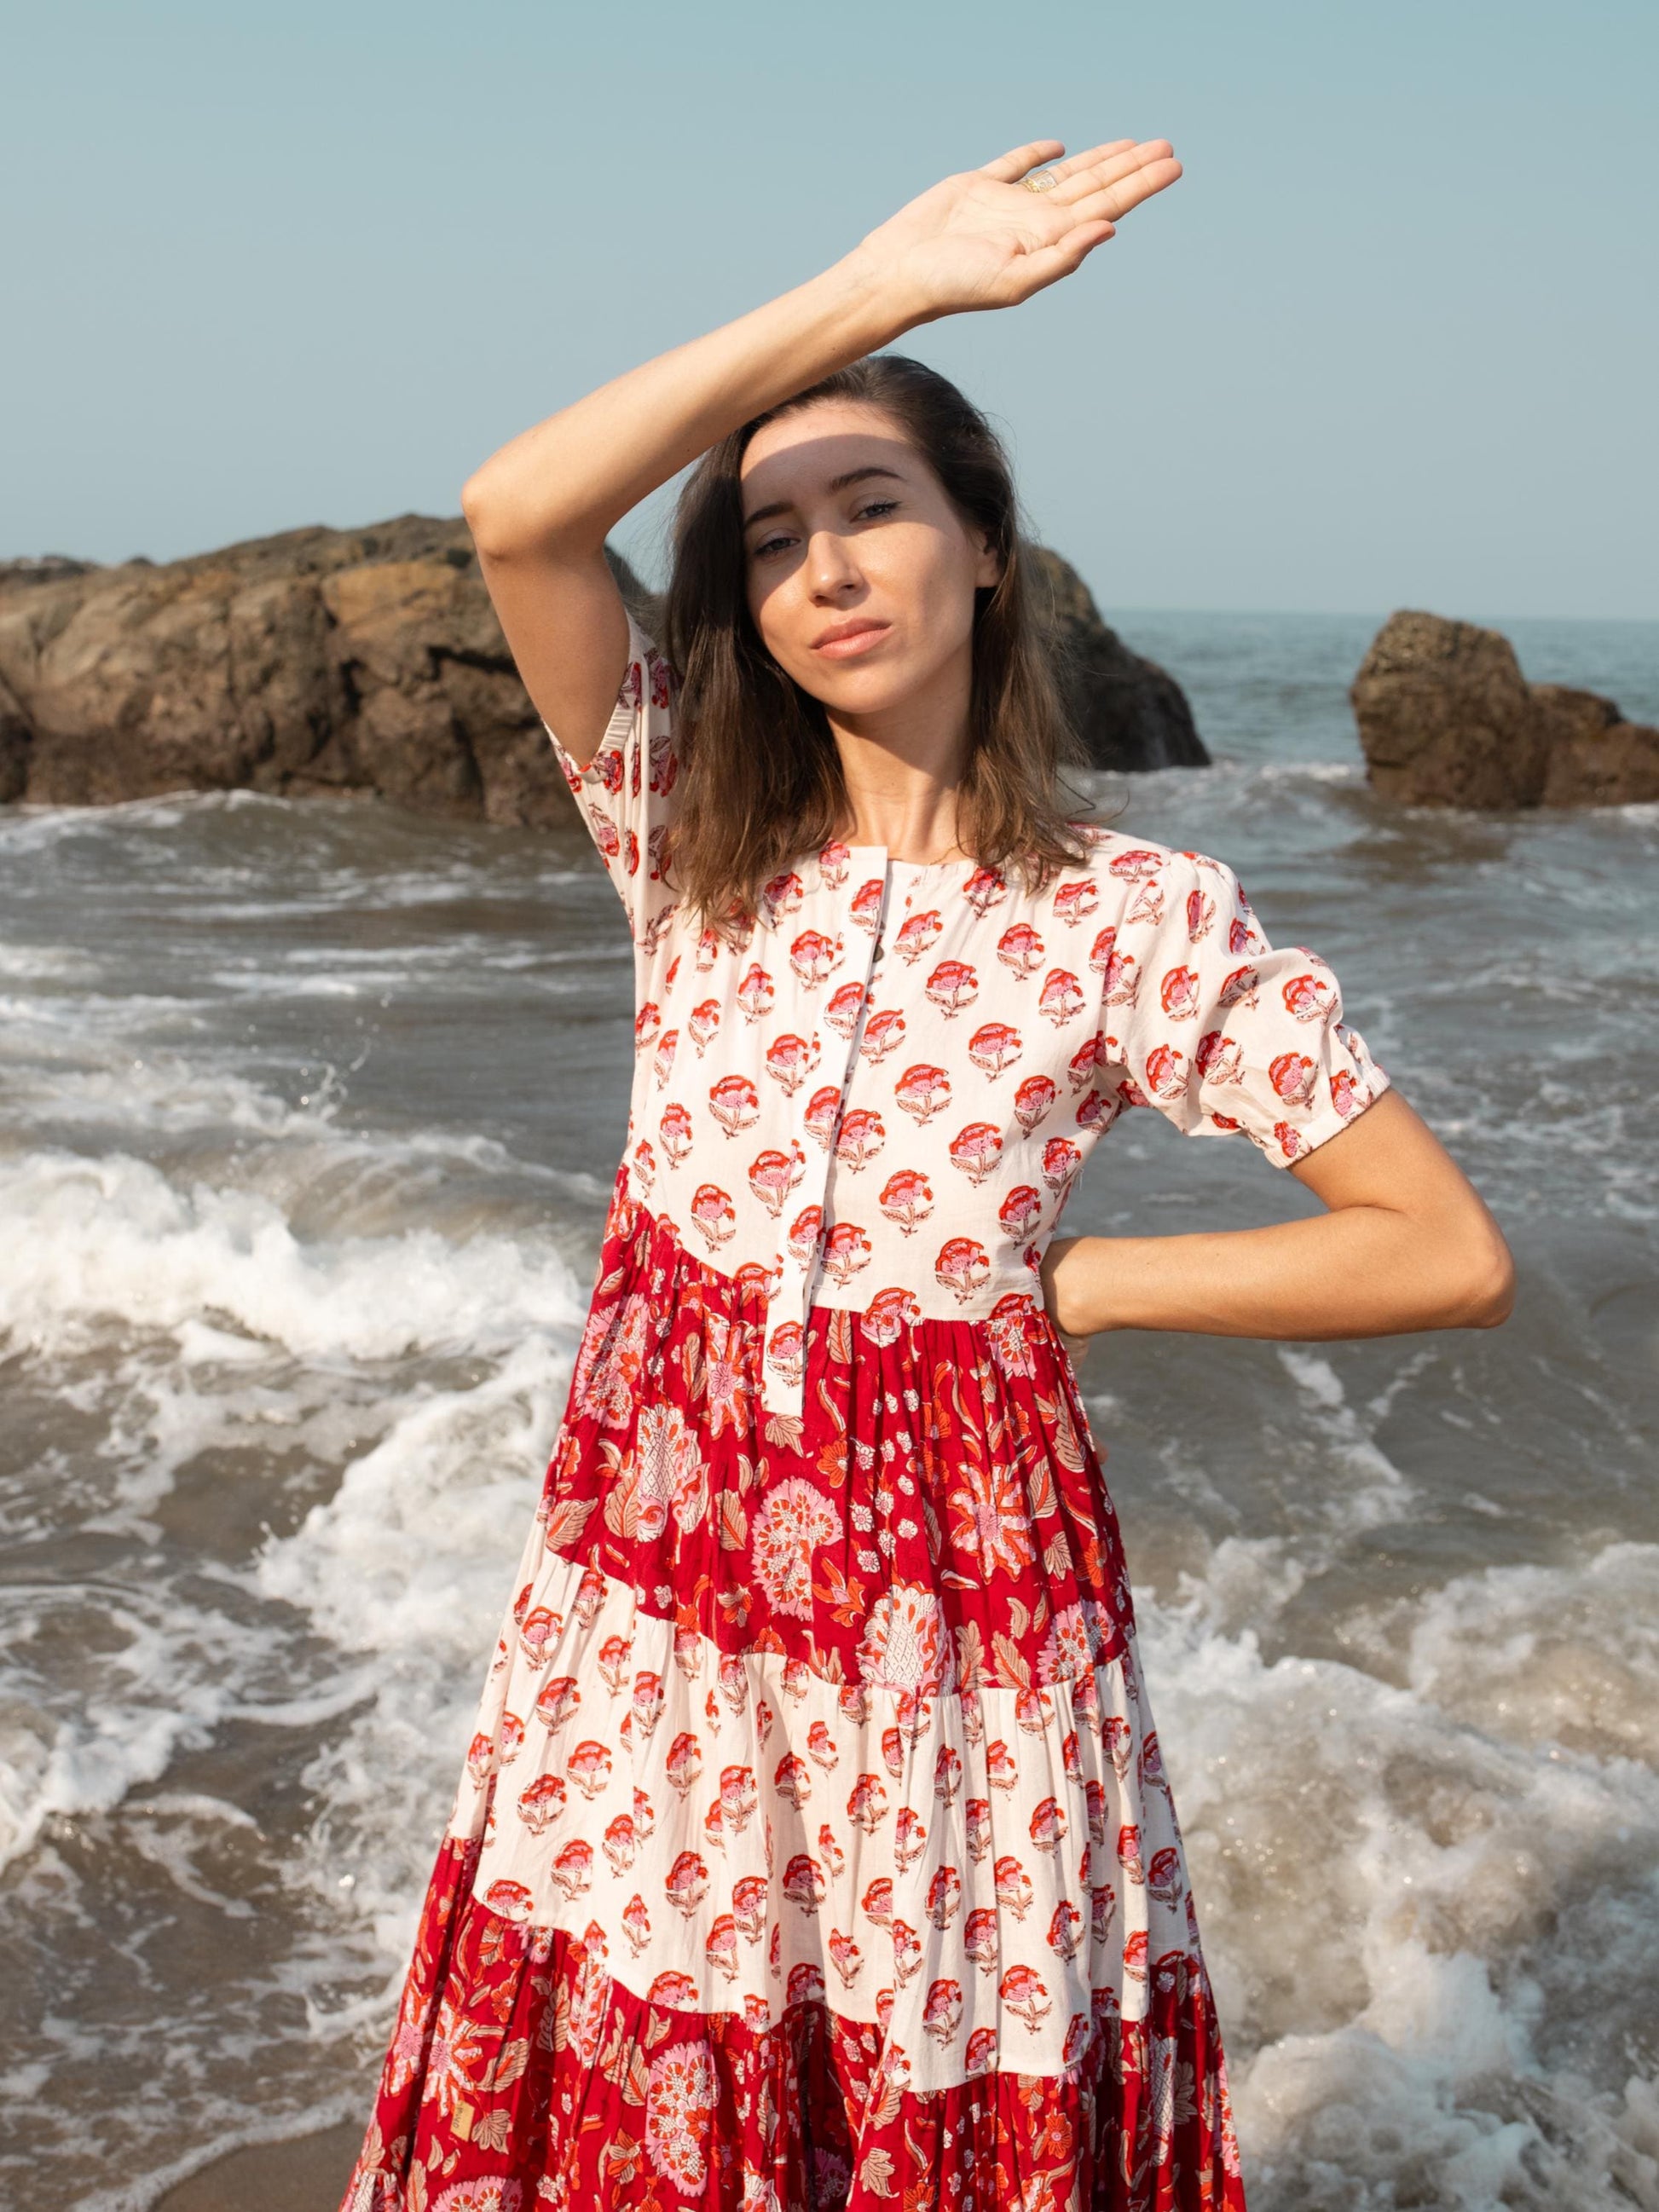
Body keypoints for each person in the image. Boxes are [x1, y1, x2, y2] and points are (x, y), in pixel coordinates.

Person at [340, 139, 1513, 2212]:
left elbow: (1438, 1246)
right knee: (639, 2088)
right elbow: (518, 510)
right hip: (658, 1599)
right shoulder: (683, 825)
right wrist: (877, 285)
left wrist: (1071, 1288)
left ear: (984, 547)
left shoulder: (1131, 915)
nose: (828, 562)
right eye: (772, 539)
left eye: (874, 500)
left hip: (956, 1625)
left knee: (921, 2093)